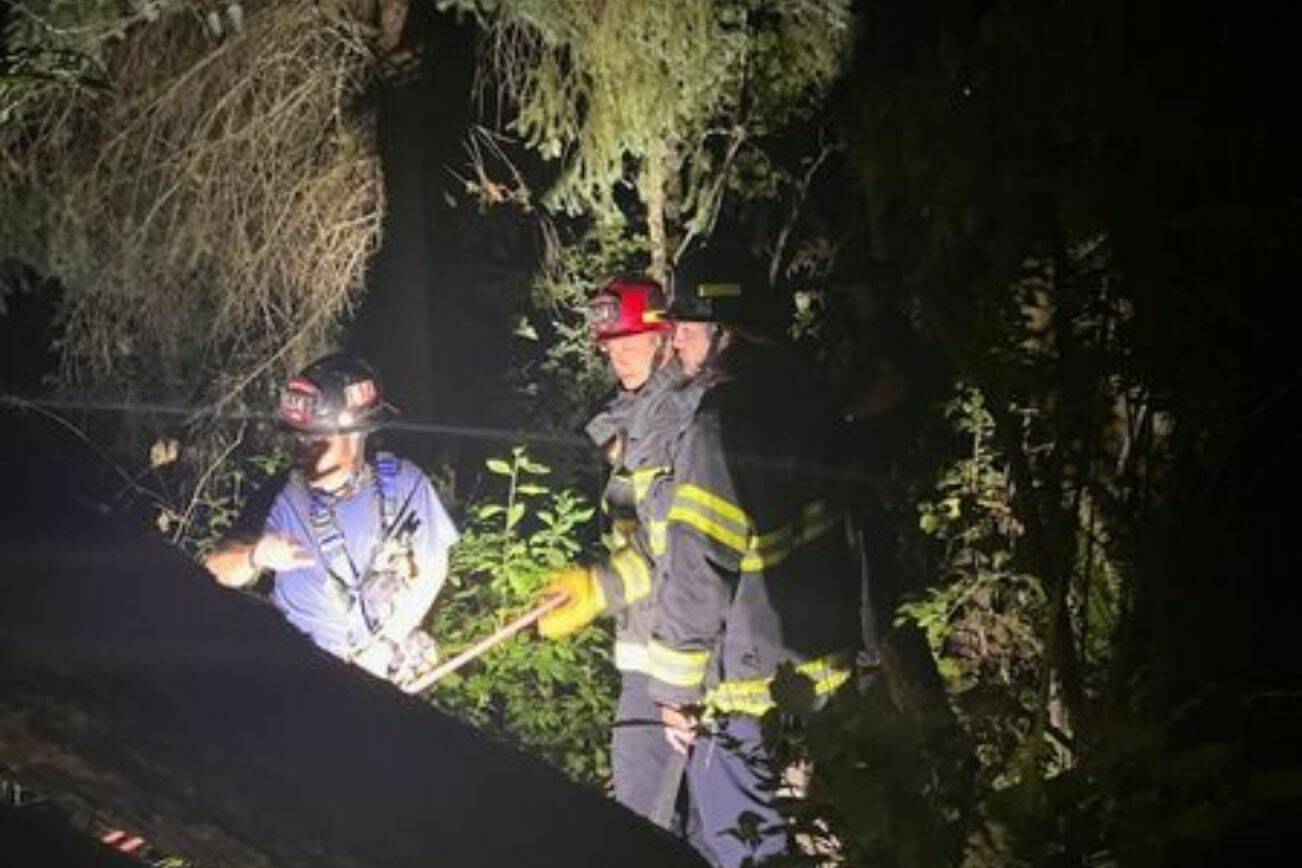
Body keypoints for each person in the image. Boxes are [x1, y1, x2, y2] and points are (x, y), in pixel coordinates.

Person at [648, 245, 864, 866]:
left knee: (746, 848)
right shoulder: (810, 397)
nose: (676, 343)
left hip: (746, 691)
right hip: (821, 675)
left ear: (720, 330)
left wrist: (674, 684)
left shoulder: (720, 423)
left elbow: (700, 559)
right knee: (822, 841)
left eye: (685, 327)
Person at [536, 276, 707, 829]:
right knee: (642, 813)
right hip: (645, 650)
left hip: (690, 655)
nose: (618, 355)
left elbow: (678, 551)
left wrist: (598, 587)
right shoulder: (632, 419)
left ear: (665, 339)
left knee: (701, 825)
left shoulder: (681, 420)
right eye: (611, 345)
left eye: (631, 342)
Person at [204, 352, 458, 689]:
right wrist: (256, 555)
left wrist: (398, 640)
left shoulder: (406, 487)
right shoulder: (281, 496)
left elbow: (433, 570)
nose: (299, 449)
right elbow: (214, 571)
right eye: (297, 438)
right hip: (301, 681)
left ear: (353, 434)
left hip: (379, 687)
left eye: (313, 439)